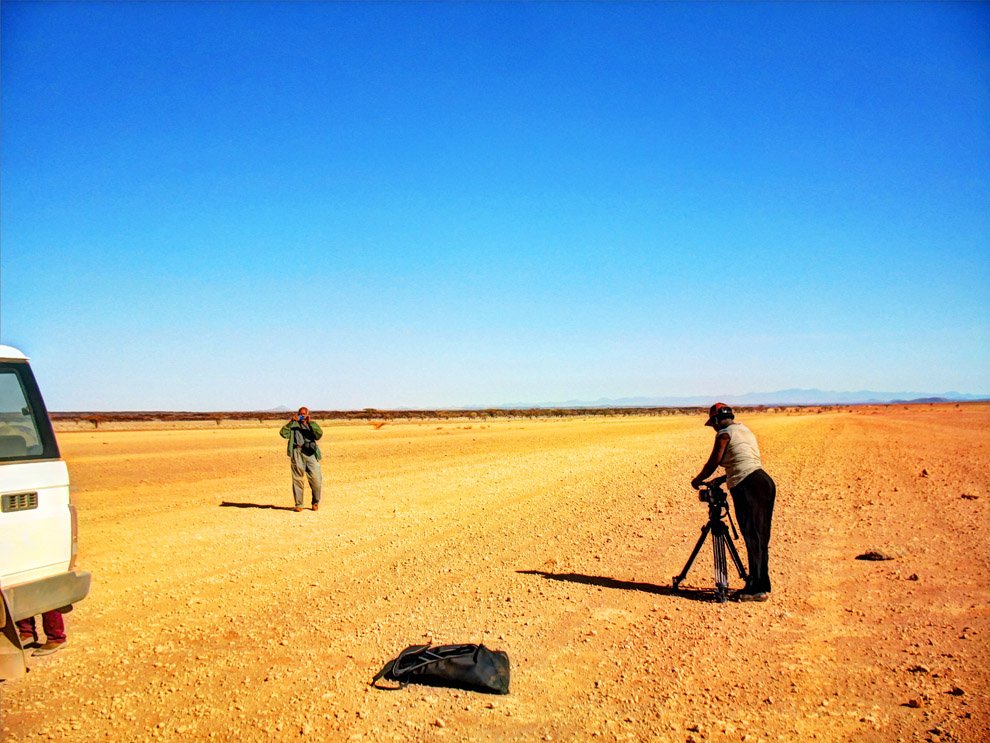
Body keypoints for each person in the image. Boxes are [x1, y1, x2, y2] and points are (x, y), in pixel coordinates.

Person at [691, 403, 776, 602]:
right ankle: (760, 583)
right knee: (761, 537)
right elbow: (742, 461)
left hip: (748, 486)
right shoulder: (744, 430)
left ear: (715, 421)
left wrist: (697, 480)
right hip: (763, 481)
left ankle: (756, 589)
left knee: (752, 536)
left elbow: (713, 462)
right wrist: (721, 480)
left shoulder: (724, 435)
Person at [279, 407, 323, 512]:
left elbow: (319, 435)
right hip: (297, 452)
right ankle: (299, 504)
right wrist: (291, 422)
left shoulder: (312, 425)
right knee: (297, 479)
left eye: (304, 414)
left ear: (308, 414)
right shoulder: (293, 425)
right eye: (300, 414)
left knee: (316, 480)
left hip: (311, 453)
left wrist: (309, 423)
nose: (302, 416)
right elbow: (283, 433)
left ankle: (315, 502)